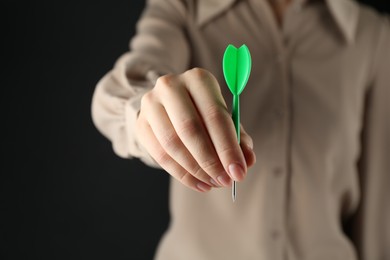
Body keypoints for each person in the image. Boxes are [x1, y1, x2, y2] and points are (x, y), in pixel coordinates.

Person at [91, 0, 390, 259]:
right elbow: (123, 88)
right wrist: (149, 113)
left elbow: (379, 194)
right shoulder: (184, 7)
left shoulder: (371, 35)